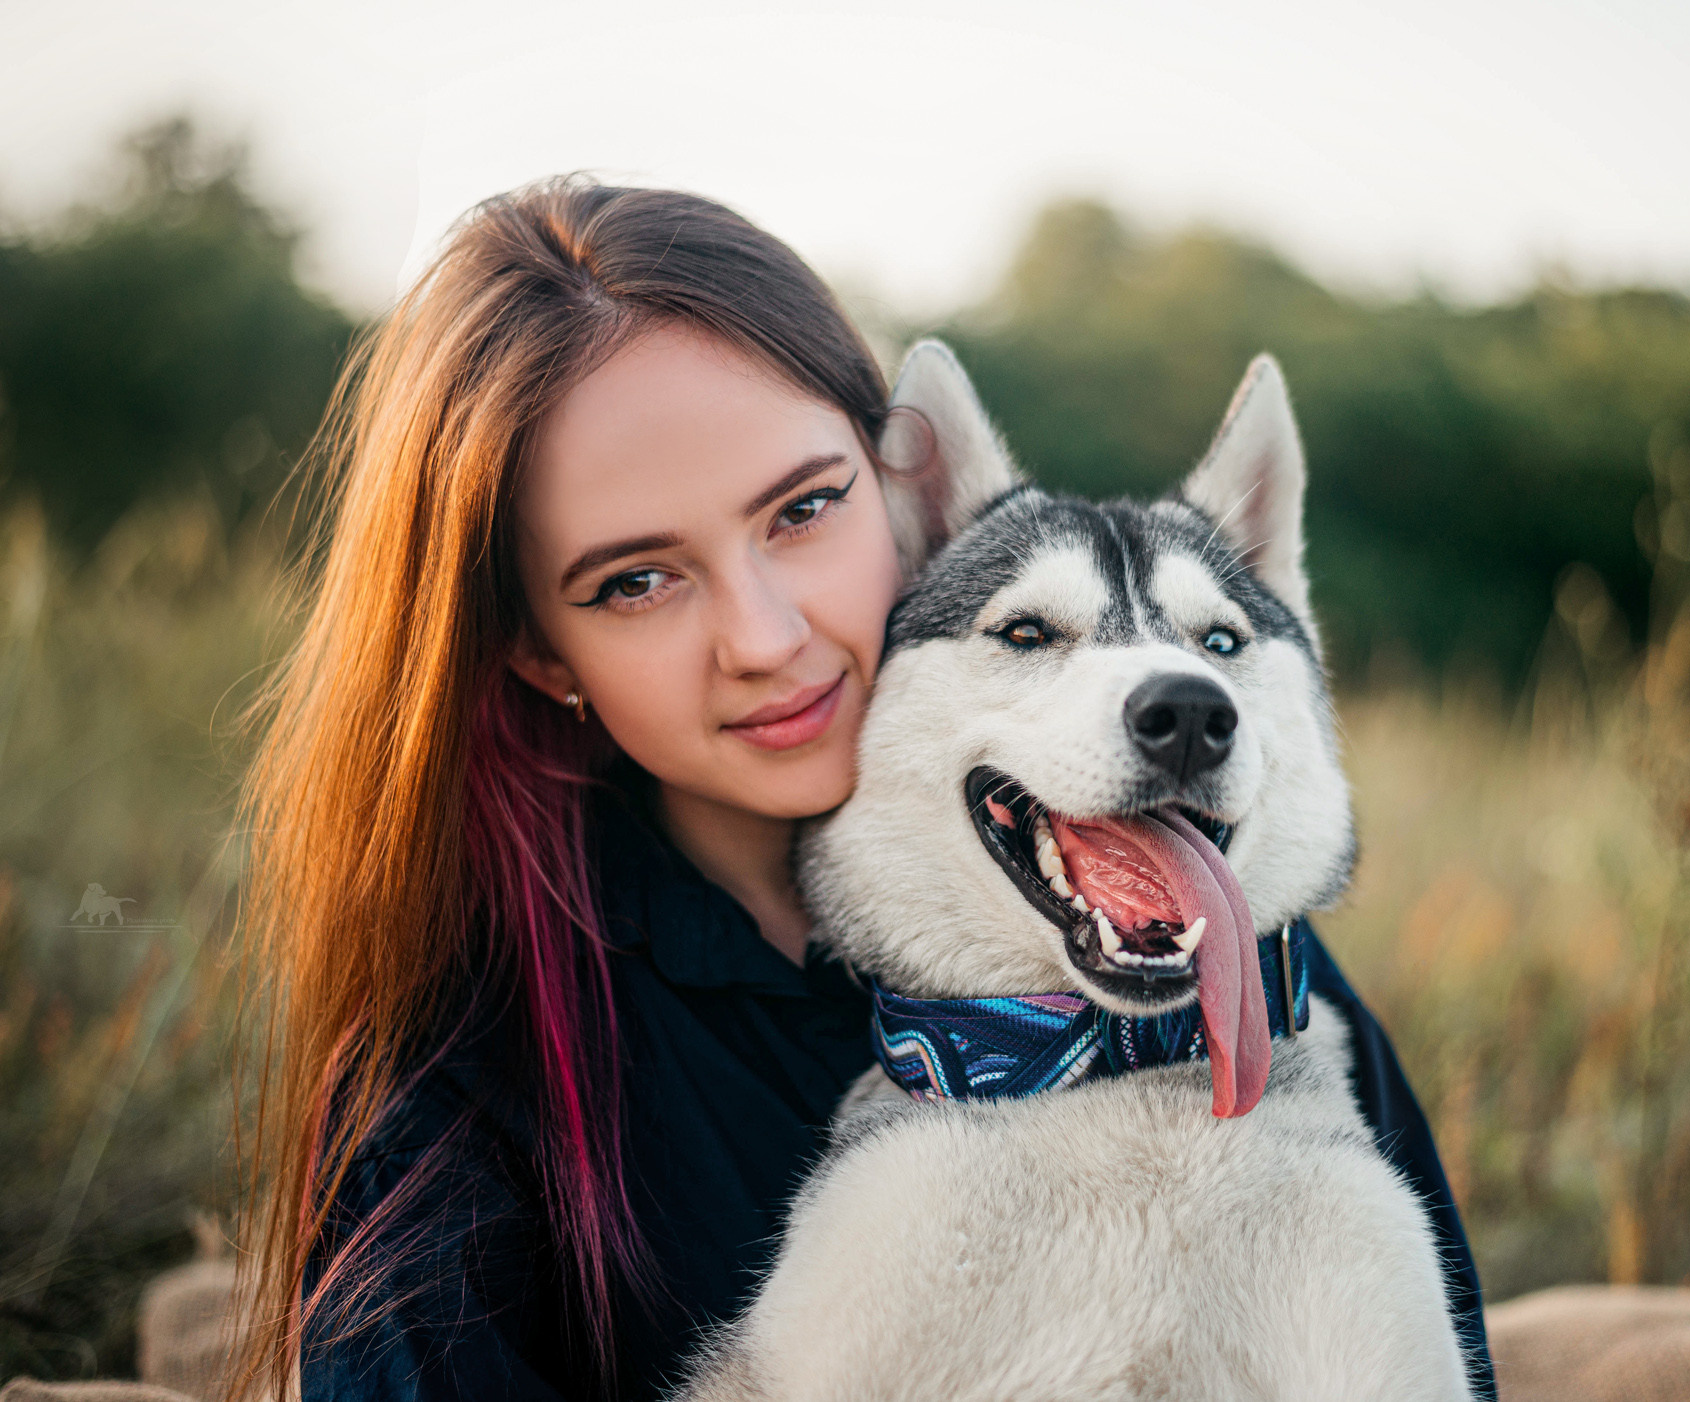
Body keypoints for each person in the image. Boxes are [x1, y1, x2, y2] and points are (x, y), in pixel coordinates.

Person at [235, 178, 1496, 1402]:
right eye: (636, 581)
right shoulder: (458, 1069)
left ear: (901, 491)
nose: (767, 636)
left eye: (805, 508)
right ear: (536, 646)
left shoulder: (1210, 939)